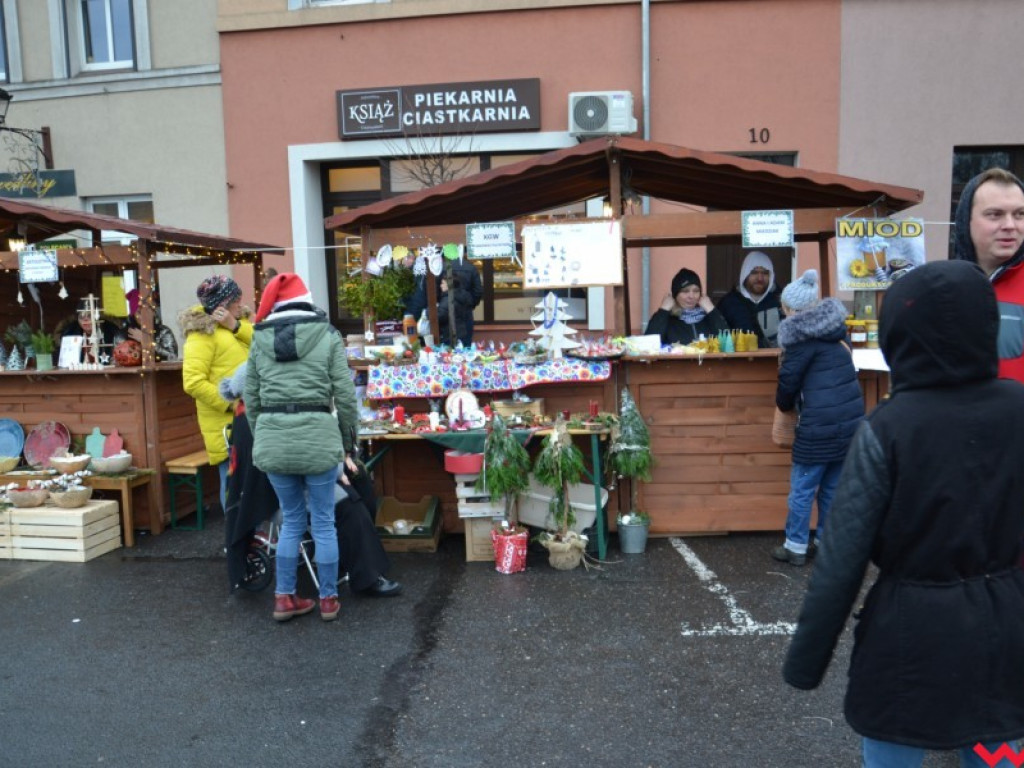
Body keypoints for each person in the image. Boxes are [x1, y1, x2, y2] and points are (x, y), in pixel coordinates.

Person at [782, 260, 1024, 766]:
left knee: (893, 750)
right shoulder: (1017, 409)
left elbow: (842, 557)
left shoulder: (889, 428)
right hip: (1002, 632)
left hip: (907, 639)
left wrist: (806, 662)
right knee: (995, 745)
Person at [220, 362, 401, 598]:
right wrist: (338, 470)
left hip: (291, 479)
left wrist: (342, 463)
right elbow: (302, 456)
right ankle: (365, 577)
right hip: (282, 492)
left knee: (360, 481)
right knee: (350, 504)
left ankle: (353, 557)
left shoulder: (252, 414)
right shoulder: (260, 419)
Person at [245, 272, 360, 622]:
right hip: (319, 438)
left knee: (291, 520)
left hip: (273, 441)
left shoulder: (257, 340)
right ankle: (328, 600)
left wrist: (263, 433)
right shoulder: (327, 336)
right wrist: (347, 443)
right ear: (308, 301)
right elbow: (345, 395)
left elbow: (251, 398)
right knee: (323, 522)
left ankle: (284, 598)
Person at [771, 269, 863, 566]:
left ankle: (796, 547)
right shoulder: (836, 335)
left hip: (817, 428)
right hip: (848, 426)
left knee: (802, 489)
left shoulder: (799, 341)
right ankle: (826, 544)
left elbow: (788, 385)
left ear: (789, 309)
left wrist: (783, 405)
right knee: (833, 489)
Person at [179, 275, 252, 514]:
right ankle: (234, 541)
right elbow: (193, 382)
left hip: (250, 418)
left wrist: (236, 326)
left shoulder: (239, 324)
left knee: (251, 484)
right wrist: (232, 404)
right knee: (232, 484)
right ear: (223, 303)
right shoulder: (202, 333)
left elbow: (264, 344)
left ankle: (250, 539)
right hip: (226, 424)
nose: (241, 302)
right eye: (236, 299)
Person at [953, 167, 1024, 383]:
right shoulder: (944, 288)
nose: (1010, 226)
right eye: (995, 215)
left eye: (1020, 214)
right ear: (966, 221)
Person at [406, 258, 483, 345]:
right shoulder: (471, 267)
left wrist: (438, 303)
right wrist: (469, 305)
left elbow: (432, 290)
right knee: (465, 344)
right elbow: (478, 291)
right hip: (465, 314)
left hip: (445, 314)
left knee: (447, 347)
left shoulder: (440, 267)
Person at [717, 251, 785, 348]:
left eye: (765, 273)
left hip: (774, 361)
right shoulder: (728, 304)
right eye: (754, 273)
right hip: (739, 362)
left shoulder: (782, 302)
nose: (760, 278)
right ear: (745, 274)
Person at [644, 268, 728, 345]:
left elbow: (728, 342)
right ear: (675, 295)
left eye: (696, 291)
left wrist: (711, 309)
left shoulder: (708, 317)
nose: (691, 296)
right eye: (685, 291)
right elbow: (648, 345)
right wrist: (663, 310)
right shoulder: (667, 318)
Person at [59, 298, 125, 364]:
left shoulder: (111, 331)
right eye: (81, 317)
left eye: (89, 316)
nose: (85, 320)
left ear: (97, 316)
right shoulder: (70, 333)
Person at [122, 288, 178, 362]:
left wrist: (147, 341)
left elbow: (172, 357)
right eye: (139, 312)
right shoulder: (122, 335)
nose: (144, 316)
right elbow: (116, 360)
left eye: (147, 311)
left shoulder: (164, 332)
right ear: (133, 314)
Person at [437, 274, 474, 347]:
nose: (441, 286)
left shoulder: (448, 299)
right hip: (463, 332)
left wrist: (428, 311)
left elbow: (439, 316)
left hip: (449, 334)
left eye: (443, 283)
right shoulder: (463, 296)